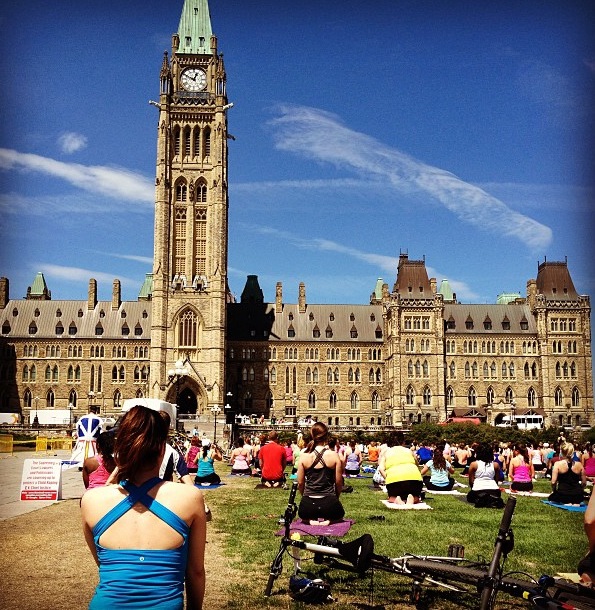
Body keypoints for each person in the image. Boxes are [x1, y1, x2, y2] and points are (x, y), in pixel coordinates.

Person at [81, 405, 206, 610]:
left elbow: (106, 565)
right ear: (162, 449)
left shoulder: (91, 501)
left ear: (119, 449)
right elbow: (195, 572)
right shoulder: (189, 498)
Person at [297, 422, 344, 524]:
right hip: (329, 503)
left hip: (308, 504)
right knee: (339, 516)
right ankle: (328, 521)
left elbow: (300, 483)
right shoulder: (334, 455)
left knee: (303, 517)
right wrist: (335, 498)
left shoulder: (304, 457)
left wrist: (304, 497)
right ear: (326, 436)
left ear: (312, 436)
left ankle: (310, 521)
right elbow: (339, 482)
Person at [378, 431, 423, 505]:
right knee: (417, 496)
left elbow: (381, 469)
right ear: (403, 441)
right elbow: (417, 464)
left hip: (395, 481)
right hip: (414, 480)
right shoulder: (409, 451)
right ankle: (413, 498)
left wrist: (388, 478)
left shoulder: (386, 452)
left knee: (391, 497)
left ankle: (396, 499)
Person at [466, 443, 504, 508]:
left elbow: (471, 482)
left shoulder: (474, 464)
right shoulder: (495, 465)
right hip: (494, 490)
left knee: (470, 496)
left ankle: (483, 499)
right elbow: (496, 480)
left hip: (478, 490)